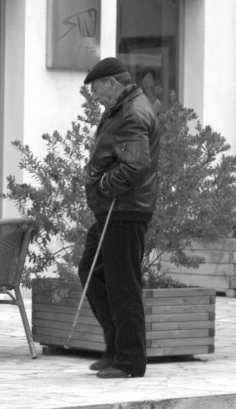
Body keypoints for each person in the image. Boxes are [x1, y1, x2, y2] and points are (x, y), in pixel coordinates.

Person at [79, 57, 160, 379]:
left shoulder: (131, 113)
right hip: (117, 207)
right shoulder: (122, 108)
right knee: (92, 271)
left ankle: (129, 361)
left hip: (124, 208)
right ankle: (115, 347)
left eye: (96, 89)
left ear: (112, 83)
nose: (94, 96)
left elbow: (135, 165)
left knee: (123, 284)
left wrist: (103, 186)